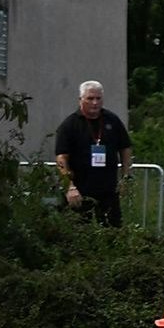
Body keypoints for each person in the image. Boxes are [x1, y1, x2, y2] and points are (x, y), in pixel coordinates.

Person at [51, 81, 130, 226]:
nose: (95, 103)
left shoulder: (112, 120)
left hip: (108, 189)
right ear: (81, 100)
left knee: (112, 230)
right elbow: (61, 157)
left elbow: (125, 148)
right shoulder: (70, 125)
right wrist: (70, 186)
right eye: (90, 98)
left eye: (98, 98)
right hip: (80, 190)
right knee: (79, 231)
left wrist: (125, 177)